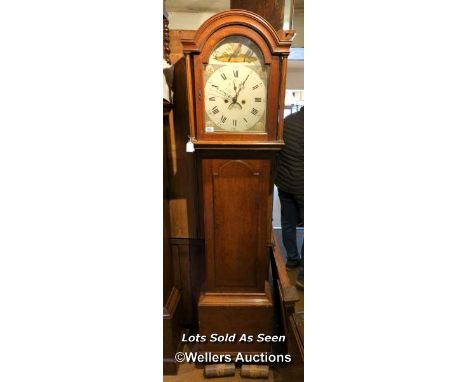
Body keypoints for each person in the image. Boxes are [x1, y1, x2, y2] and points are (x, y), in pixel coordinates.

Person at [275, 106, 304, 289]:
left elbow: (278, 152)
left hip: (285, 183)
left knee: (288, 224)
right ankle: (304, 274)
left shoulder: (286, 122)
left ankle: (292, 260)